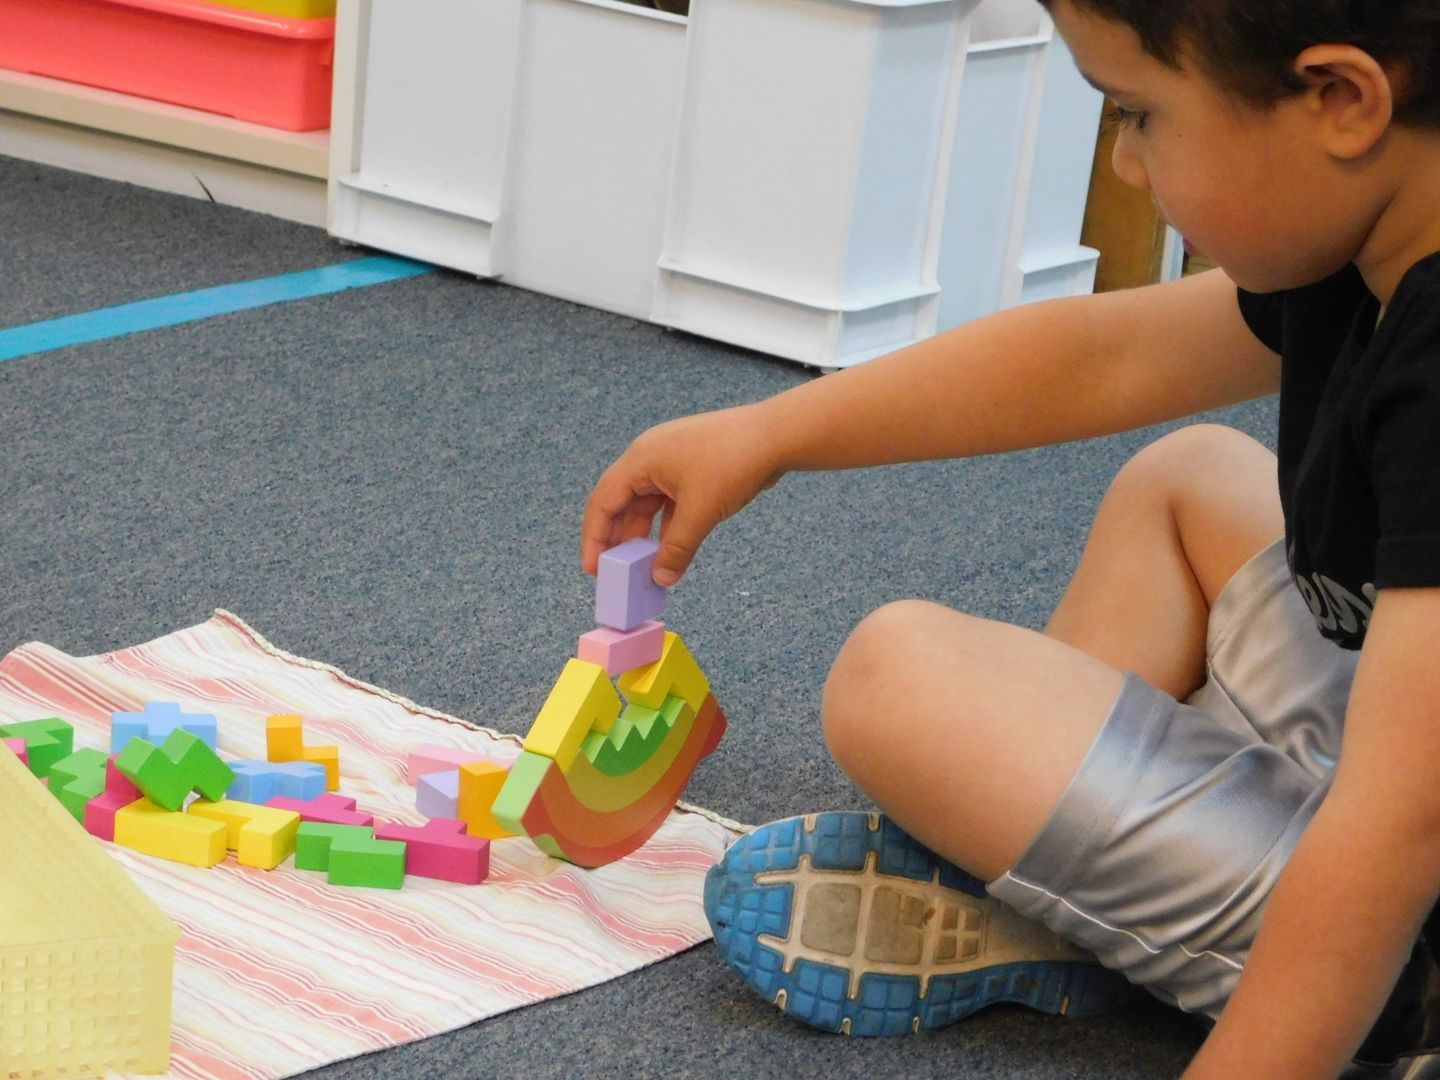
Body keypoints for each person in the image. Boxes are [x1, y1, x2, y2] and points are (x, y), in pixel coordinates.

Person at [581, 1, 1440, 1074]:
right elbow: (1102, 359)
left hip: (1412, 894)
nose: (1127, 165)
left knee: (897, 678)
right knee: (1185, 483)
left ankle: (1324, 988)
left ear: (1342, 100)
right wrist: (769, 434)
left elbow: (1399, 830)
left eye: (1138, 114)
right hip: (1393, 741)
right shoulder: (1369, 236)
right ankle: (1086, 882)